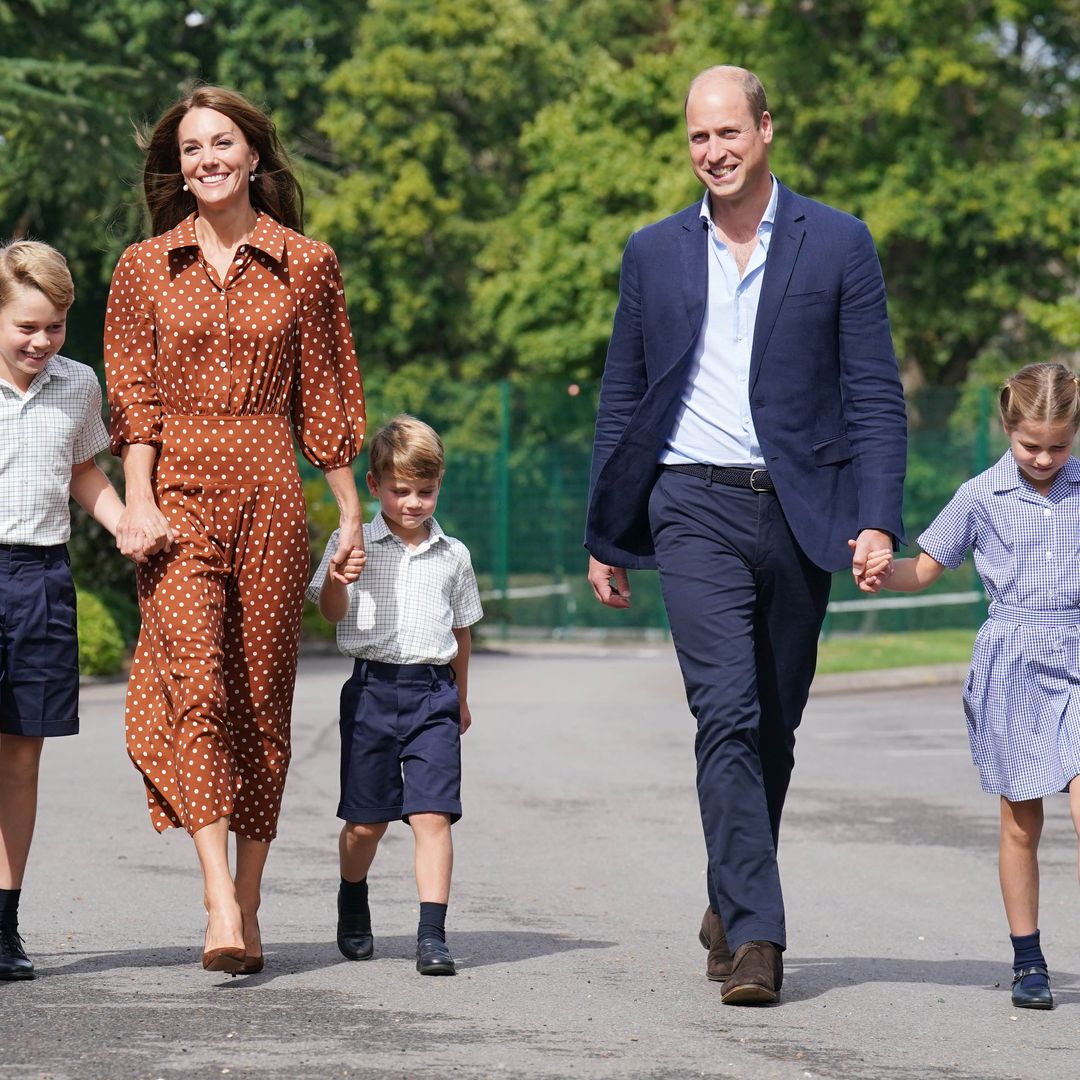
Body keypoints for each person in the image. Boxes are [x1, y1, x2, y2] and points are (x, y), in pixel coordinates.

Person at [585, 65, 907, 1004]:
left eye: (729, 133)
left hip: (803, 511)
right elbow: (623, 396)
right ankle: (760, 939)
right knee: (722, 711)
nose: (714, 152)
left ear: (766, 129)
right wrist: (608, 527)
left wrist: (877, 516)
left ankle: (730, 896)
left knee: (774, 722)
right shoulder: (653, 254)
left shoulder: (839, 243)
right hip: (690, 505)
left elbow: (875, 394)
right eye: (697, 138)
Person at [104, 86, 366, 975]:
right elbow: (132, 402)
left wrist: (350, 510)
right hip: (177, 498)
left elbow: (325, 395)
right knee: (197, 686)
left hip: (271, 494)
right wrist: (136, 500)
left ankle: (249, 900)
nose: (206, 159)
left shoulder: (307, 263)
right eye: (189, 149)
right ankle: (217, 892)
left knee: (261, 700)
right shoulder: (144, 266)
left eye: (222, 143)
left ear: (254, 154)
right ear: (177, 166)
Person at [861, 363, 1080, 1012]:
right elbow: (924, 570)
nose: (1044, 458)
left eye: (1058, 445)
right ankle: (1028, 959)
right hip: (1013, 662)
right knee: (1022, 821)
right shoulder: (980, 495)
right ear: (1007, 429)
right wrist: (878, 569)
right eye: (1030, 445)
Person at [307, 415, 483, 976]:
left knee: (433, 815)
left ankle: (431, 935)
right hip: (371, 692)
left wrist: (461, 696)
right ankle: (352, 896)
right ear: (374, 487)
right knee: (366, 824)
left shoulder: (453, 554)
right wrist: (339, 578)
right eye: (399, 490)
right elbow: (329, 614)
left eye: (425, 491)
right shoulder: (350, 542)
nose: (412, 503)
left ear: (439, 486)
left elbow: (462, 632)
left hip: (433, 694)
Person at [0, 240, 128, 980]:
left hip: (41, 578)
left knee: (21, 756)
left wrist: (127, 524)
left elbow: (82, 469)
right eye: (25, 327)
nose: (41, 342)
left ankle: (5, 924)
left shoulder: (78, 385)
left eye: (54, 326)